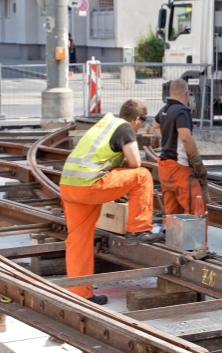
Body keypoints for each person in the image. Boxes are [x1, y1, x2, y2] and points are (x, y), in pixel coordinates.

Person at [59, 99, 162, 304]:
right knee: (142, 176)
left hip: (69, 186)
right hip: (89, 185)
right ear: (136, 119)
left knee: (79, 241)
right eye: (141, 122)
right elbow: (135, 163)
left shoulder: (104, 125)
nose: (140, 125)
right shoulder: (125, 128)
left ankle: (80, 294)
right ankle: (138, 229)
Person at [153, 79, 209, 215]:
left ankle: (172, 236)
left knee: (172, 214)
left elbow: (155, 124)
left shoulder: (164, 109)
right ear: (186, 94)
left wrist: (167, 137)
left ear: (171, 92)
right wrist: (196, 159)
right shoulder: (181, 111)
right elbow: (185, 137)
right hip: (180, 168)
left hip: (165, 169)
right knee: (196, 212)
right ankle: (193, 237)